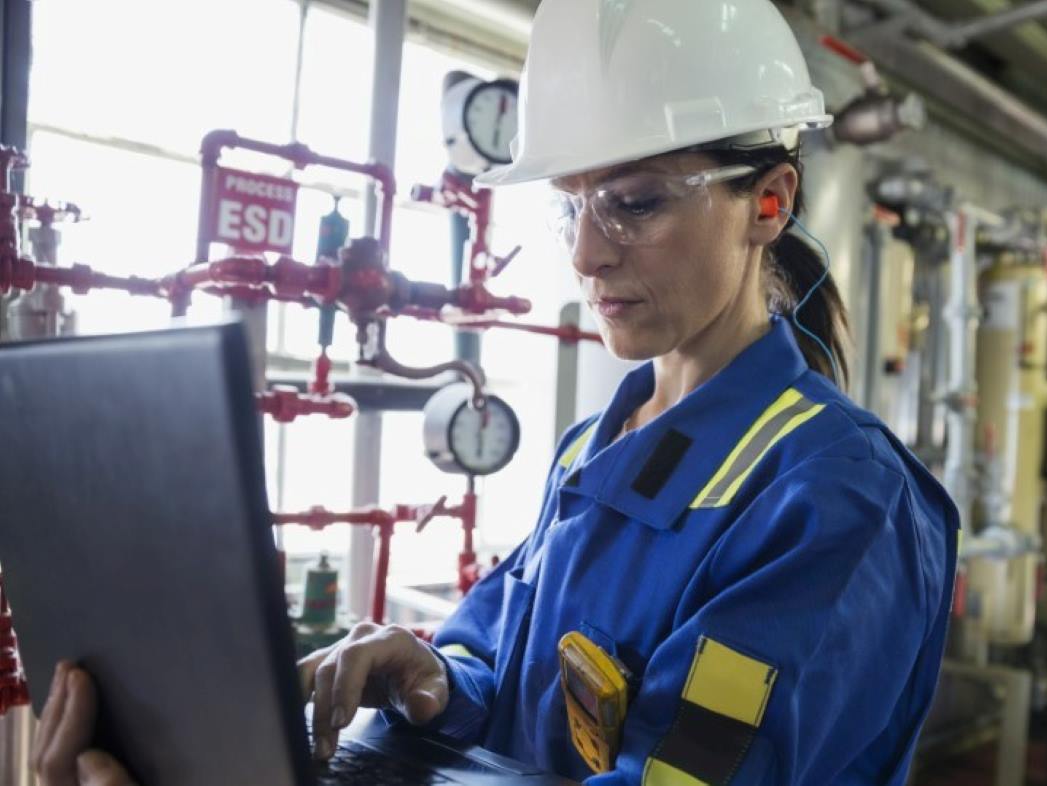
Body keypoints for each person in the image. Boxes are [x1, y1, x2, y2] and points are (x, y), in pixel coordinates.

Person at [32, 1, 958, 784]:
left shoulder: (837, 500)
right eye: (571, 205)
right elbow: (508, 663)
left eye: (634, 203)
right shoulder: (600, 446)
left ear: (770, 202)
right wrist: (431, 675)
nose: (587, 254)